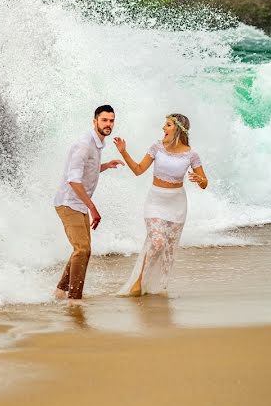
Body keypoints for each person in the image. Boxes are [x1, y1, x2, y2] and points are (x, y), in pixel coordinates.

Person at [113, 113, 209, 296]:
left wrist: (199, 179)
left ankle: (159, 288)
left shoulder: (191, 154)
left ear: (178, 129)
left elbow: (205, 183)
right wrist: (123, 151)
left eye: (168, 125)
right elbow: (138, 170)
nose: (163, 128)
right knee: (157, 242)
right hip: (155, 202)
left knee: (168, 252)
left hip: (177, 204)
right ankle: (139, 283)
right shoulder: (156, 147)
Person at [52, 105, 123, 304]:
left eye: (111, 121)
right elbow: (73, 180)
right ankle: (74, 299)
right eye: (104, 120)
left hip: (79, 203)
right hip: (69, 203)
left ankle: (60, 291)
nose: (108, 124)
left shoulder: (98, 144)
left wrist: (106, 166)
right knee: (82, 249)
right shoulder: (84, 145)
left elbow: (87, 170)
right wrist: (92, 207)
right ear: (95, 122)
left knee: (83, 250)